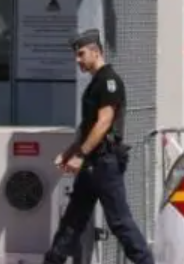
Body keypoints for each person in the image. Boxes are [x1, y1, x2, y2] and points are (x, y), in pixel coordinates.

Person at [43, 30, 154, 264]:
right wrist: (70, 152)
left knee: (119, 222)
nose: (78, 60)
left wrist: (80, 154)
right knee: (72, 221)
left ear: (96, 51)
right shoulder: (95, 83)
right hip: (92, 163)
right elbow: (88, 127)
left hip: (104, 163)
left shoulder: (109, 82)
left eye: (81, 54)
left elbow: (104, 122)